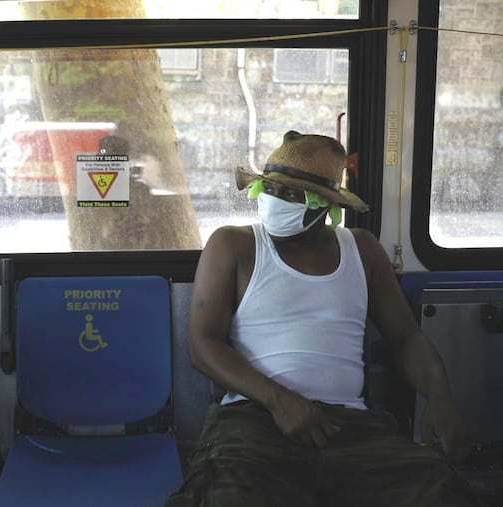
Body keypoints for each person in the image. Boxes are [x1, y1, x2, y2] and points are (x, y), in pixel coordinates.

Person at [165, 131, 477, 507]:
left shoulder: (362, 250)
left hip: (351, 428)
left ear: (325, 206)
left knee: (441, 493)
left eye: (292, 195)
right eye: (270, 190)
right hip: (255, 418)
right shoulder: (235, 245)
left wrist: (440, 398)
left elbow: (406, 338)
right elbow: (203, 345)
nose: (275, 201)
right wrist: (280, 401)